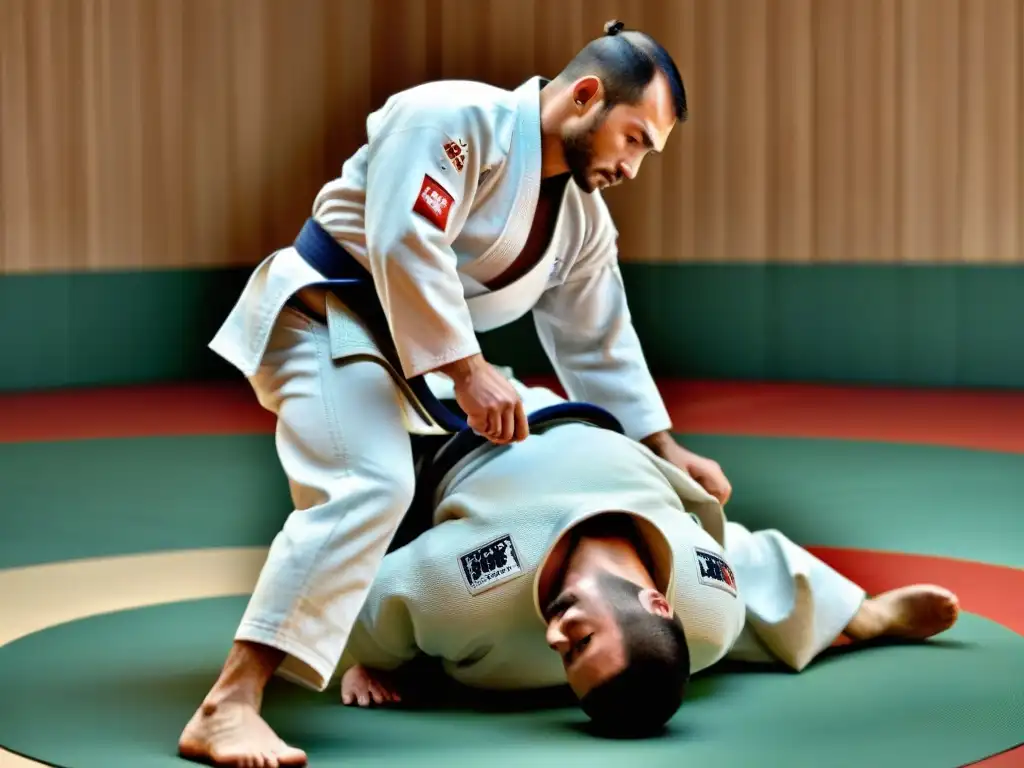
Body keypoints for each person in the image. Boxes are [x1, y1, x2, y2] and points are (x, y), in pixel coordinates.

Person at [179, 20, 730, 768]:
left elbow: (599, 339)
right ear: (587, 96)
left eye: (647, 152)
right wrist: (469, 371)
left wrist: (663, 446)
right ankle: (226, 707)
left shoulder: (580, 222)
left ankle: (371, 649)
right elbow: (406, 238)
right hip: (324, 318)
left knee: (421, 500)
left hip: (415, 368)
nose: (634, 166)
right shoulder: (452, 118)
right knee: (370, 483)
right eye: (633, 138)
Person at [336, 376, 961, 737]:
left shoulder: (470, 586)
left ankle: (856, 617)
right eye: (581, 643)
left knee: (363, 474)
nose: (556, 637)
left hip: (445, 447)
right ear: (659, 600)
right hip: (540, 405)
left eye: (566, 654)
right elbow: (703, 522)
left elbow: (374, 604)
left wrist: (372, 660)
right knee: (737, 578)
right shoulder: (706, 611)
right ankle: (859, 615)